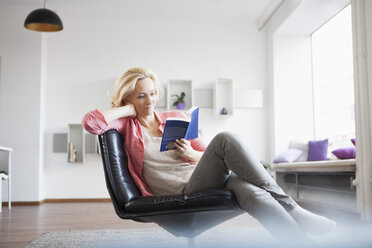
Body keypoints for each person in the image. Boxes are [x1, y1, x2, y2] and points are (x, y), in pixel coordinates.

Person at [82, 67, 336, 241]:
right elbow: (91, 123)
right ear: (128, 98)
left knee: (252, 192)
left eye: (152, 93)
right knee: (226, 138)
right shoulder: (125, 125)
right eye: (141, 96)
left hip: (201, 177)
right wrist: (126, 109)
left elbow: (209, 155)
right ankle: (292, 208)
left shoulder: (174, 117)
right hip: (179, 192)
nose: (150, 101)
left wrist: (192, 154)